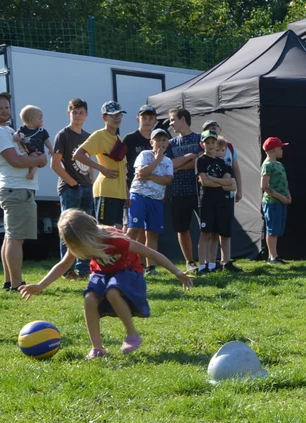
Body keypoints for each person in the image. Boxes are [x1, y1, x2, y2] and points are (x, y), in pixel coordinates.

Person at [19, 209, 192, 359]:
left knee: (112, 292)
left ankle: (132, 335)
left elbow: (150, 253)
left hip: (128, 270)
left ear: (88, 236)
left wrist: (176, 272)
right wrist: (41, 286)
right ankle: (97, 348)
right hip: (101, 272)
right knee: (89, 299)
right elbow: (64, 265)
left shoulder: (114, 239)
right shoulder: (78, 243)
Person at [0, 91, 48, 292]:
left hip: (16, 188)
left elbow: (23, 154)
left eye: (6, 107)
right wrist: (39, 160)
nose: (4, 111)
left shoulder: (7, 129)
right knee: (15, 238)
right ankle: (17, 284)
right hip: (16, 189)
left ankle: (8, 281)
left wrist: (37, 158)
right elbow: (16, 160)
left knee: (10, 237)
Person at [52, 98, 93, 278]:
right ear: (69, 113)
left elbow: (89, 161)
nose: (78, 116)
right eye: (74, 112)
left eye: (81, 112)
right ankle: (67, 270)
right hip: (70, 188)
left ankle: (83, 268)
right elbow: (55, 164)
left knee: (86, 229)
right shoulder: (63, 135)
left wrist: (90, 180)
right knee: (68, 229)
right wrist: (72, 182)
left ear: (86, 115)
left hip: (86, 187)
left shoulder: (87, 136)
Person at [74, 101, 128, 229]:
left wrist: (126, 193)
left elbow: (122, 169)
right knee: (105, 231)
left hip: (119, 193)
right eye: (113, 115)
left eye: (119, 115)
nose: (117, 118)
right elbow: (78, 155)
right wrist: (101, 169)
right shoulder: (99, 135)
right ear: (104, 117)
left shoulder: (118, 139)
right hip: (106, 191)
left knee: (118, 233)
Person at [127, 128, 174, 273]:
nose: (161, 143)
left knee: (152, 233)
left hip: (156, 200)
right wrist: (157, 160)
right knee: (134, 230)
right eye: (158, 140)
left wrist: (149, 175)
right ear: (151, 142)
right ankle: (125, 261)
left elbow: (168, 180)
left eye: (164, 140)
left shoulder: (168, 162)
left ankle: (150, 267)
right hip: (139, 196)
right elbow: (140, 172)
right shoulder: (144, 155)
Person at [195, 130, 236, 275]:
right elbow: (205, 182)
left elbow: (231, 183)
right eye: (208, 143)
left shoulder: (222, 162)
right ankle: (202, 266)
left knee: (215, 234)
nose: (211, 146)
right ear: (202, 144)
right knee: (205, 233)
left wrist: (215, 180)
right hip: (206, 202)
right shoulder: (201, 160)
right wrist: (220, 182)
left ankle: (212, 264)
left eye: (213, 142)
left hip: (220, 202)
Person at [166, 108, 202, 273]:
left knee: (207, 227)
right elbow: (169, 166)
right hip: (178, 192)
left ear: (183, 119)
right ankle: (190, 261)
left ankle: (207, 259)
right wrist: (189, 157)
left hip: (198, 191)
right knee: (182, 228)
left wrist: (180, 165)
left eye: (173, 119)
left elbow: (201, 162)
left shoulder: (199, 138)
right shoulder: (171, 143)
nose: (171, 123)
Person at [212, 137, 242, 272]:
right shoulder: (207, 162)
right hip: (212, 199)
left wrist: (236, 189)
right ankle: (211, 262)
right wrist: (223, 183)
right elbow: (207, 181)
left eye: (222, 150)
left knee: (226, 231)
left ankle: (226, 261)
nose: (220, 152)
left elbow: (232, 184)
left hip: (227, 198)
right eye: (217, 150)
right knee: (212, 232)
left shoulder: (227, 162)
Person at [260, 137, 291, 264]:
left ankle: (275, 255)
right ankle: (272, 257)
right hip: (272, 203)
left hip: (281, 202)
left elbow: (284, 183)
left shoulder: (279, 164)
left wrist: (288, 195)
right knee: (272, 229)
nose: (282, 150)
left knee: (277, 229)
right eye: (280, 148)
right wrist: (280, 197)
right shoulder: (267, 165)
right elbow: (264, 186)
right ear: (273, 150)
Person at [123, 105, 157, 194]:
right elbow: (121, 166)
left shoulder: (160, 138)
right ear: (138, 119)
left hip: (156, 187)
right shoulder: (129, 139)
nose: (147, 121)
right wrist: (125, 189)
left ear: (155, 121)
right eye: (144, 118)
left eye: (150, 118)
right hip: (134, 187)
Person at [16, 105, 51, 181]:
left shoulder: (42, 131)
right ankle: (30, 173)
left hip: (38, 151)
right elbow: (17, 134)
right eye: (40, 119)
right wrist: (16, 137)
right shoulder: (23, 129)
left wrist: (51, 149)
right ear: (31, 120)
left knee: (35, 158)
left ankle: (31, 173)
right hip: (27, 151)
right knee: (31, 157)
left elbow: (46, 141)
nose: (42, 121)